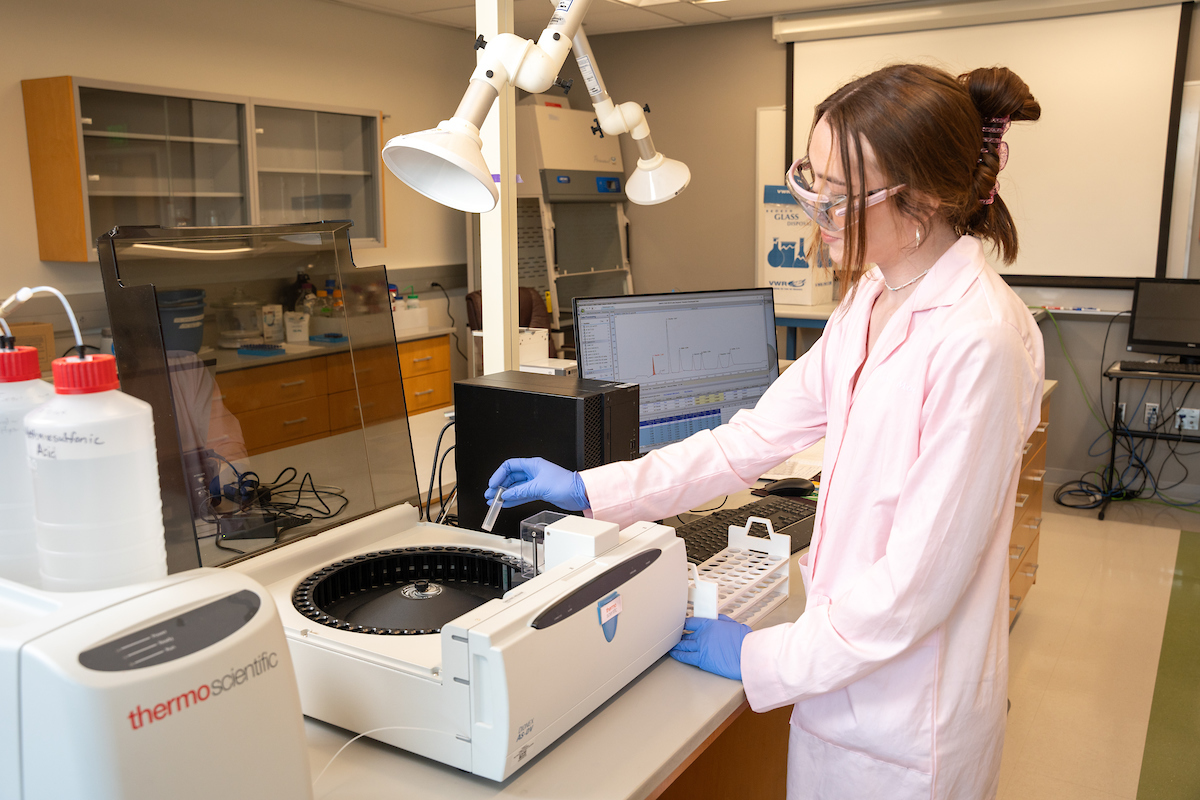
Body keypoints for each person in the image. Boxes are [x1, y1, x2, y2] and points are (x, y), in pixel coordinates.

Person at [486, 63, 1044, 800]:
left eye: (837, 194)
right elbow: (744, 441)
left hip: (907, 728)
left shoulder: (981, 341)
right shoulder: (872, 299)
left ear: (926, 196)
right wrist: (592, 488)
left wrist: (762, 659)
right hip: (841, 695)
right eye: (809, 180)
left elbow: (913, 592)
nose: (816, 211)